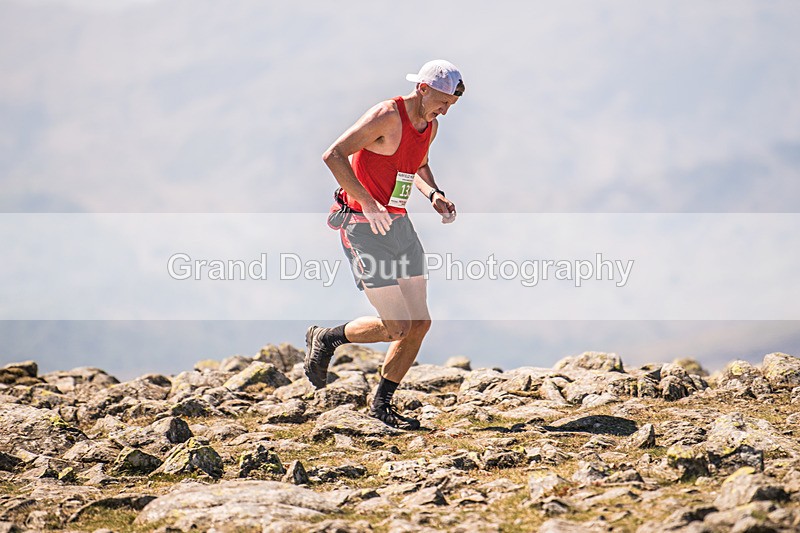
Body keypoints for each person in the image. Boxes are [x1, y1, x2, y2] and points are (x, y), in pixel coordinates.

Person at [305, 59, 465, 429]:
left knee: (419, 323)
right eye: (442, 101)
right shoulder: (386, 115)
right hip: (362, 226)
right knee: (396, 326)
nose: (445, 111)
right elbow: (334, 155)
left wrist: (434, 194)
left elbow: (417, 165)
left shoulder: (430, 125)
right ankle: (327, 337)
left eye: (450, 106)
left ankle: (382, 406)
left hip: (399, 225)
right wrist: (367, 202)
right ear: (422, 89)